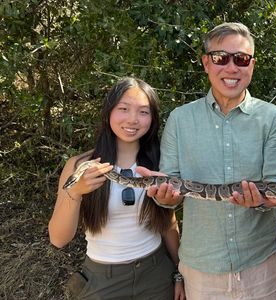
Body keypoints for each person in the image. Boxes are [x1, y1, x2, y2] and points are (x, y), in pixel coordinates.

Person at [137, 22, 276, 299]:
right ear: (206, 63)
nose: (232, 68)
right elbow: (171, 193)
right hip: (201, 267)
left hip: (263, 263)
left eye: (241, 59)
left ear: (252, 65)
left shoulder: (273, 119)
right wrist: (165, 196)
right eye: (221, 58)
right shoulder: (180, 120)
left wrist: (261, 200)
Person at [48, 77, 184, 300]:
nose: (133, 119)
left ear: (153, 118)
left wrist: (180, 272)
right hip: (103, 280)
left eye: (143, 112)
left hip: (157, 274)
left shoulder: (159, 164)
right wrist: (75, 192)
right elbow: (58, 239)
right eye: (123, 109)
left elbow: (168, 223)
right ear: (108, 112)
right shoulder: (79, 166)